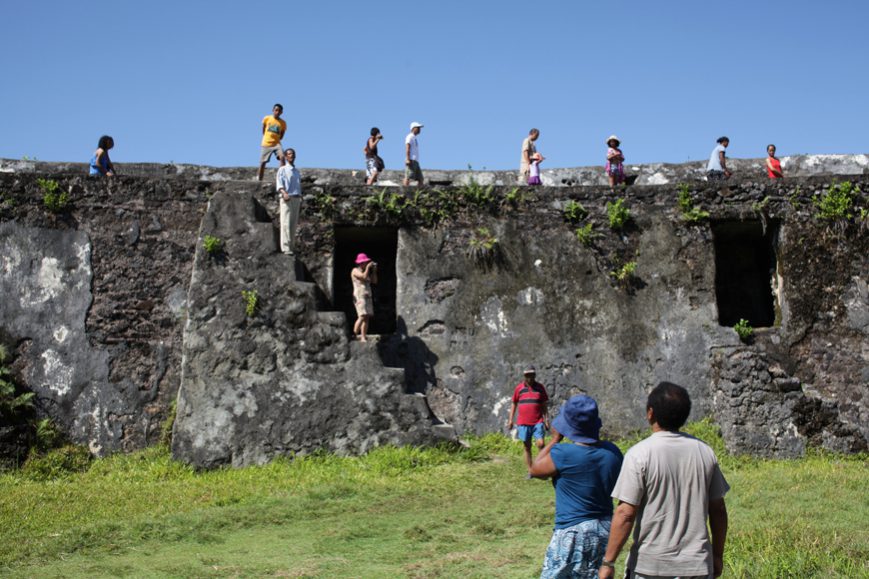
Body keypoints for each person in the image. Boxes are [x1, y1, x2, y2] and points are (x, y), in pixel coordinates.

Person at [598, 382, 729, 579]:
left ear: (650, 413)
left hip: (650, 567)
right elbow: (718, 509)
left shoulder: (639, 454)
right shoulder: (704, 452)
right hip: (697, 566)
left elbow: (625, 513)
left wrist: (608, 562)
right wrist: (717, 555)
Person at [531, 395, 624, 579]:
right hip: (606, 529)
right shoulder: (612, 452)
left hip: (572, 531)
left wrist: (555, 439)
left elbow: (535, 469)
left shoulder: (563, 453)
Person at [506, 366, 549, 473]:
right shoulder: (519, 388)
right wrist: (510, 420)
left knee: (541, 444)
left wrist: (546, 419)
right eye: (527, 375)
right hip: (523, 422)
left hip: (537, 421)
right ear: (524, 376)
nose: (529, 377)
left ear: (535, 375)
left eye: (531, 374)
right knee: (527, 446)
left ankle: (542, 467)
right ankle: (531, 470)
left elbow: (544, 405)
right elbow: (514, 404)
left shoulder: (540, 388)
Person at [275, 148, 301, 256]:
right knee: (285, 223)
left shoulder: (296, 171)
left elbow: (297, 185)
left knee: (293, 224)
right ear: (286, 157)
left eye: (293, 154)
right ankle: (285, 247)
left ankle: (291, 247)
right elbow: (279, 183)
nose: (291, 155)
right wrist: (284, 192)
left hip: (296, 198)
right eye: (289, 154)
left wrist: (300, 196)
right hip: (287, 197)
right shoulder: (282, 169)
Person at [351, 253, 378, 341]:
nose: (367, 264)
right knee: (362, 315)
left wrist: (374, 271)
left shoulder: (366, 272)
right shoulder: (355, 270)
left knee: (367, 317)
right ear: (361, 263)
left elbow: (374, 281)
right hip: (359, 296)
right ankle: (354, 334)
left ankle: (363, 336)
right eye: (365, 262)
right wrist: (367, 268)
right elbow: (363, 277)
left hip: (367, 296)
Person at [258, 104, 287, 181]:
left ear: (281, 112)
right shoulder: (267, 118)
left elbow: (282, 134)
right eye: (276, 110)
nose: (277, 112)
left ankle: (281, 178)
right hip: (266, 143)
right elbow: (263, 130)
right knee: (263, 162)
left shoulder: (283, 123)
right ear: (273, 110)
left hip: (277, 143)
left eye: (279, 111)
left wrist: (277, 139)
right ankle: (260, 180)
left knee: (282, 157)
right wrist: (267, 137)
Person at [404, 122, 424, 187]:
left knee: (420, 178)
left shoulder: (414, 137)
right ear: (413, 128)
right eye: (418, 128)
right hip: (411, 159)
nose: (419, 129)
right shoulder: (409, 136)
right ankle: (404, 191)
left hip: (416, 161)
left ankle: (418, 193)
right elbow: (407, 148)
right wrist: (407, 159)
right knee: (408, 176)